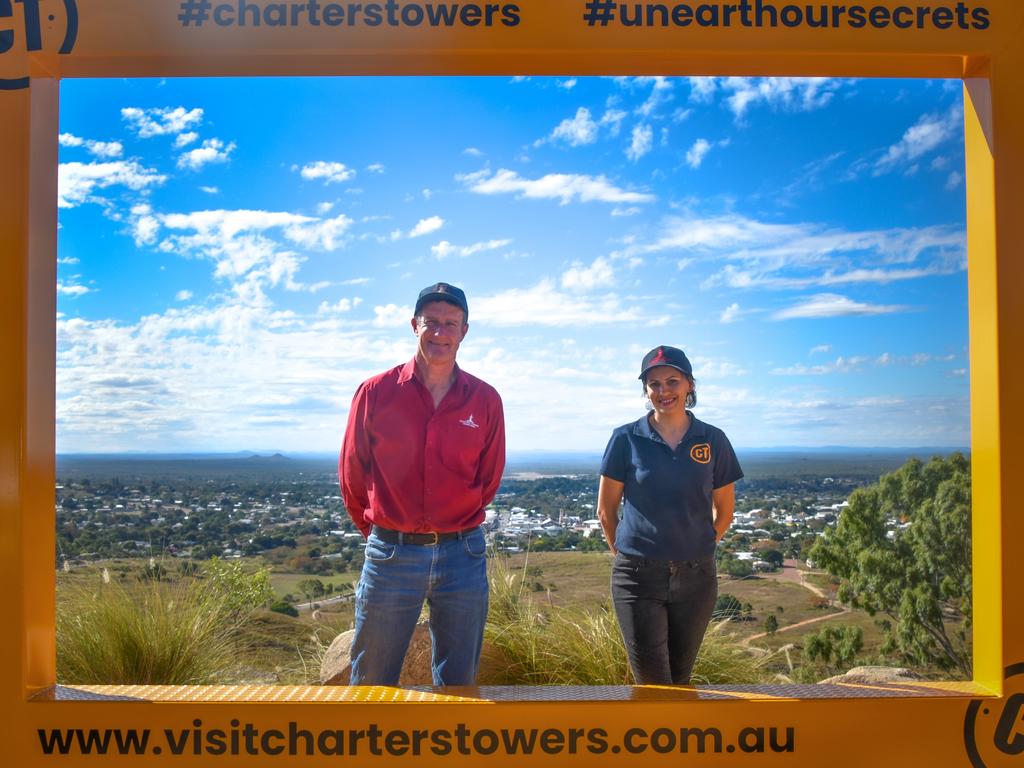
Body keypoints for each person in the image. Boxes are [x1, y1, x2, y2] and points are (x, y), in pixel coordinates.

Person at [339, 282, 505, 686]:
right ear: (415, 325)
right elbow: (352, 472)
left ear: (464, 331)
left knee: (459, 685)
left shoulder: (484, 400)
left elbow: (488, 477)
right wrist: (380, 533)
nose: (441, 333)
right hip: (391, 555)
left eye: (452, 324)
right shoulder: (376, 392)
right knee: (373, 683)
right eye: (432, 322)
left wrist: (455, 522)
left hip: (462, 555)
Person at [597, 345, 742, 685]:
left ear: (689, 385)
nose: (664, 391)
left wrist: (703, 542)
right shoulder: (625, 439)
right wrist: (626, 554)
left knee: (679, 680)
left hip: (697, 577)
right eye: (654, 384)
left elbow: (725, 509)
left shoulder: (713, 439)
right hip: (637, 577)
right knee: (654, 685)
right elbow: (606, 510)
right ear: (645, 390)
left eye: (672, 381)